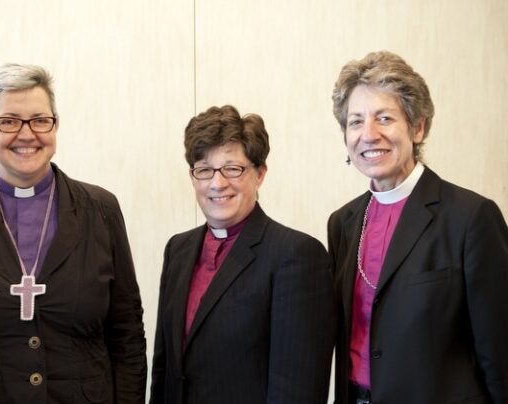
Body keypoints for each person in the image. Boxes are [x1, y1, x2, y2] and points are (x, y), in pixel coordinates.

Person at [0, 63, 147, 403]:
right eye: (8, 121)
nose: (26, 134)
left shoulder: (101, 209)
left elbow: (126, 331)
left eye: (40, 120)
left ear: (55, 126)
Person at [328, 50, 508, 403]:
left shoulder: (471, 218)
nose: (369, 134)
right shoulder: (343, 223)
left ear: (418, 127)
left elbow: (500, 353)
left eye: (384, 118)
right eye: (355, 121)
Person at [150, 105, 336, 404]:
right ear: (192, 175)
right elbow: (164, 369)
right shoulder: (178, 250)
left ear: (259, 173)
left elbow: (297, 389)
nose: (217, 183)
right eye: (204, 169)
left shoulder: (296, 255)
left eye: (233, 168)